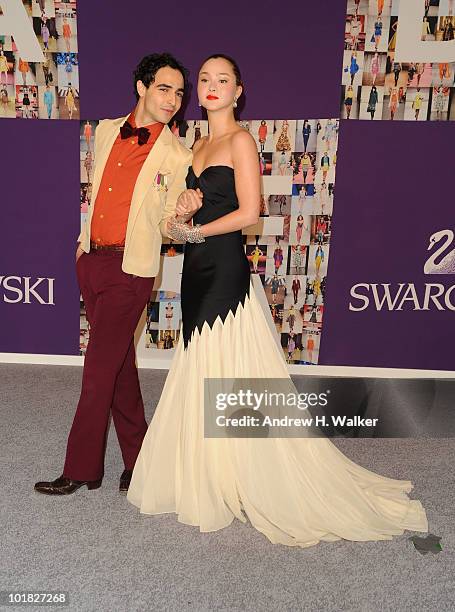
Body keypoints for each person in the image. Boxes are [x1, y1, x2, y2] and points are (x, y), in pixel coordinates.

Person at [127, 53, 428, 548]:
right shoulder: (198, 144)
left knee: (228, 365)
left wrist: (196, 228)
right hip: (197, 271)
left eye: (222, 80)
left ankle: (238, 472)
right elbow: (185, 213)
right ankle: (209, 474)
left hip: (224, 269)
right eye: (203, 79)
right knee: (201, 363)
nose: (210, 86)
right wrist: (182, 215)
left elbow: (251, 213)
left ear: (238, 91)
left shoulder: (241, 140)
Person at [34, 53, 196, 496]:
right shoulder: (106, 130)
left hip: (131, 270)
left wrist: (183, 217)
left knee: (97, 371)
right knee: (120, 366)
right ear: (141, 88)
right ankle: (138, 462)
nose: (173, 100)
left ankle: (82, 468)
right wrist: (82, 249)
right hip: (92, 261)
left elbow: (167, 225)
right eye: (164, 88)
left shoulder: (177, 156)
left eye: (180, 93)